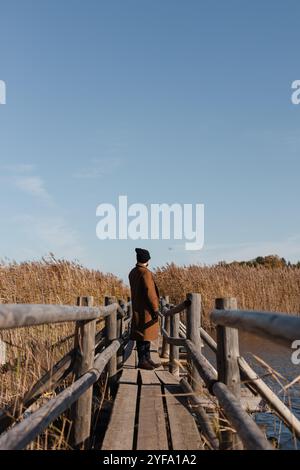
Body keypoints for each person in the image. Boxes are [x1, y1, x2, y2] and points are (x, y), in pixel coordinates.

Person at [128, 248, 161, 370]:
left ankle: (147, 359)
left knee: (142, 335)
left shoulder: (133, 272)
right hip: (146, 310)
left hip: (137, 308)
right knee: (145, 336)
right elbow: (150, 292)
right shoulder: (145, 273)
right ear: (147, 260)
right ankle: (143, 360)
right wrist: (155, 309)